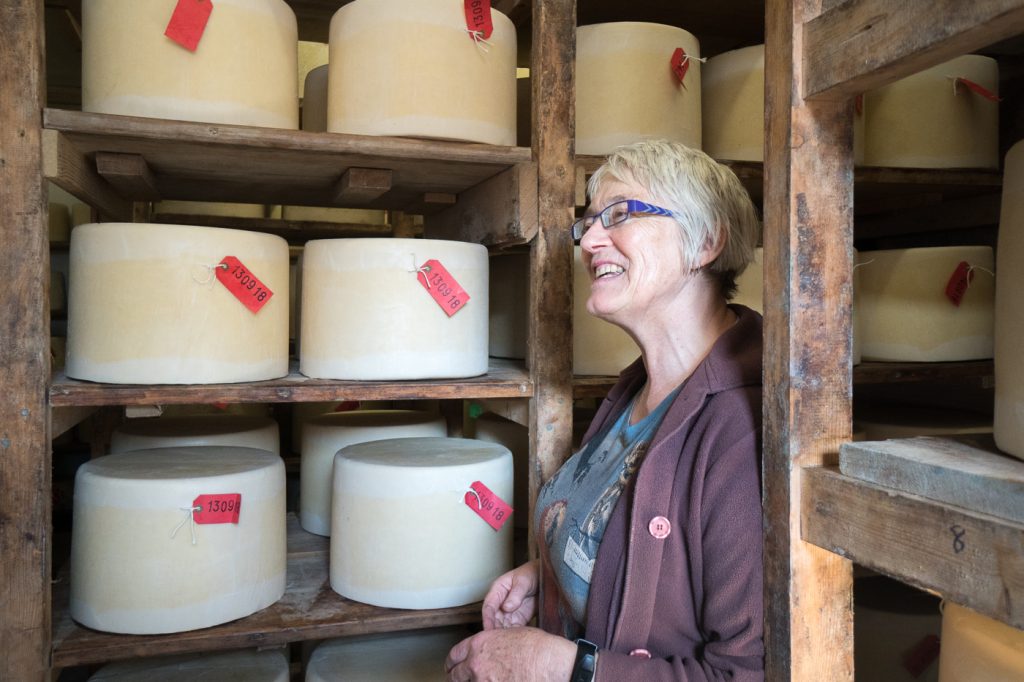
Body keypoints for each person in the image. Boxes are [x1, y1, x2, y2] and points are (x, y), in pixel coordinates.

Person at [445, 139, 765, 681]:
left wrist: (568, 669)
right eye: (589, 222)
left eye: (619, 214)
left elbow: (745, 674)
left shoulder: (742, 426)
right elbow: (621, 532)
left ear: (706, 241)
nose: (589, 240)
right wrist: (551, 580)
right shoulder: (636, 388)